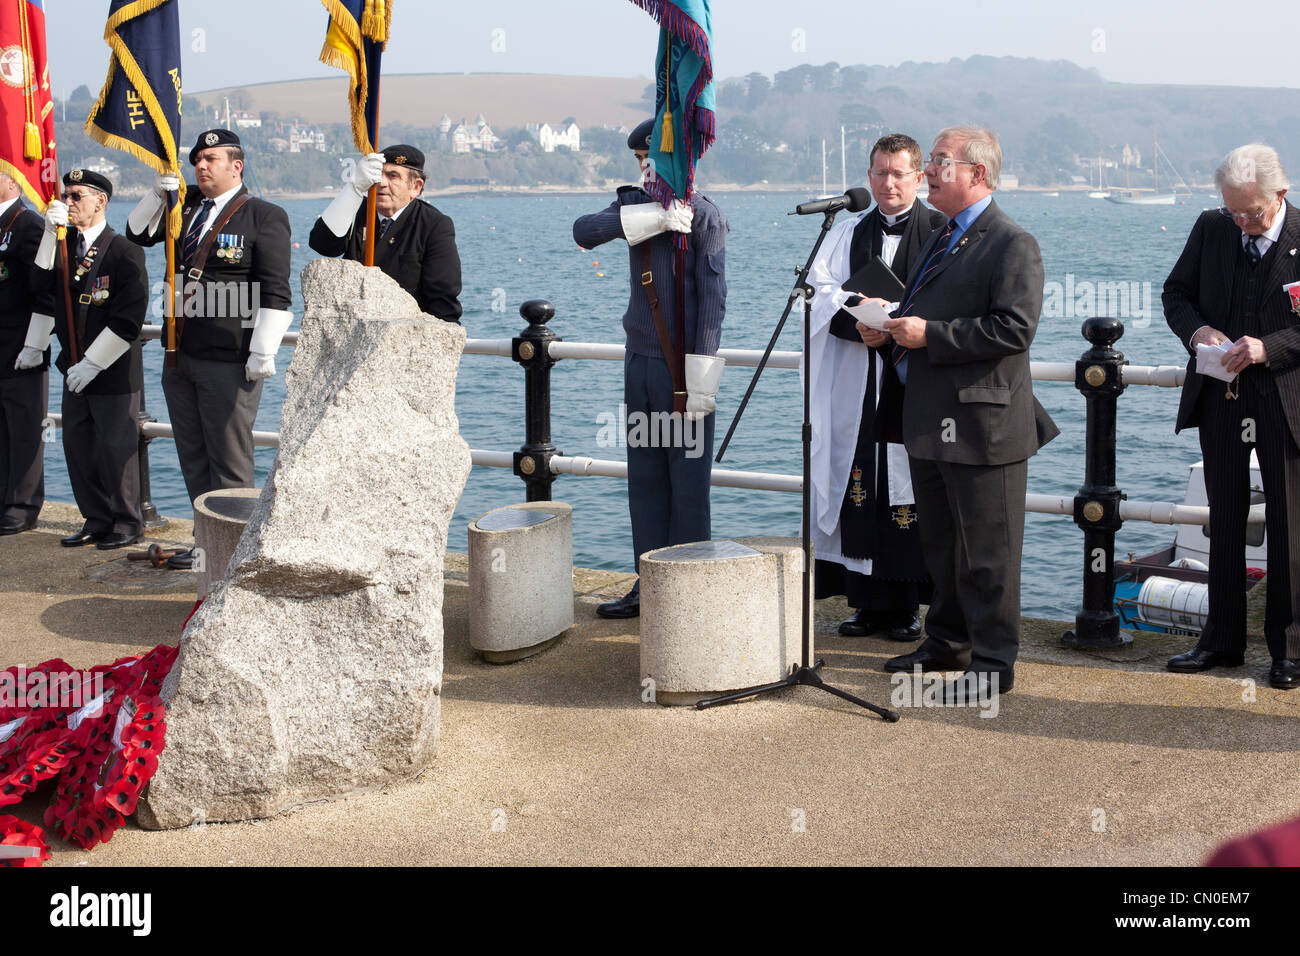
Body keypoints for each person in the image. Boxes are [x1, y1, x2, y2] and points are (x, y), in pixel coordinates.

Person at [864, 125, 1058, 698]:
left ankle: (994, 664)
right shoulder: (942, 235)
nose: (929, 171)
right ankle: (947, 641)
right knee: (943, 543)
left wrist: (931, 335)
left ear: (978, 174)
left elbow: (1015, 329)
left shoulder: (1011, 242)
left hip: (983, 422)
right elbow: (926, 311)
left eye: (941, 161)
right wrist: (893, 333)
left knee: (988, 551)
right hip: (930, 415)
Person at [573, 118, 727, 619]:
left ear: (685, 161)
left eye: (653, 158)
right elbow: (584, 232)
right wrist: (653, 220)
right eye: (641, 159)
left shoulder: (705, 216)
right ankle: (649, 584)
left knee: (687, 484)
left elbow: (712, 302)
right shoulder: (631, 207)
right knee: (644, 480)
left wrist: (703, 375)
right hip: (639, 363)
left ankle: (688, 588)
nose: (645, 167)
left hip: (684, 369)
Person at [1163, 143, 1300, 690]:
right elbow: (1177, 294)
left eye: (1252, 213)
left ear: (1281, 195)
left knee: (1289, 524)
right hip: (1222, 394)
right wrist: (1198, 332)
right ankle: (1221, 641)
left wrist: (1269, 347)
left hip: (1285, 399)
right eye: (1233, 211)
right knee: (1222, 517)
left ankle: (1289, 651)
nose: (1242, 223)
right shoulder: (1212, 226)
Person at [126, 129, 292, 569]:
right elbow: (137, 233)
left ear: (235, 166)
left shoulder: (263, 216)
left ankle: (239, 557)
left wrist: (263, 350)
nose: (201, 165)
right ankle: (208, 548)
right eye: (197, 159)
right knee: (193, 457)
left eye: (212, 158)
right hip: (180, 355)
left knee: (230, 464)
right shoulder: (185, 211)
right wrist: (155, 195)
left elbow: (276, 290)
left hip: (229, 357)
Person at [807, 133, 945, 640]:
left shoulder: (941, 231)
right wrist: (856, 324)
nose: (888, 183)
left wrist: (897, 326)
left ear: (918, 177)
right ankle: (865, 603)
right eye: (880, 173)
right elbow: (819, 292)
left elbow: (953, 299)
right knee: (859, 479)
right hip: (859, 380)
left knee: (908, 488)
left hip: (915, 380)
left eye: (899, 173)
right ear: (868, 177)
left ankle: (907, 605)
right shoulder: (845, 233)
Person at [20, 170, 148, 548]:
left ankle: (126, 522)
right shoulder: (61, 245)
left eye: (77, 196)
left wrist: (92, 363)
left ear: (100, 201)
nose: (69, 202)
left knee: (116, 449)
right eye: (66, 195)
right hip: (72, 368)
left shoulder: (123, 250)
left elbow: (129, 318)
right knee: (78, 447)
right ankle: (95, 518)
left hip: (111, 370)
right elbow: (39, 287)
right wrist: (47, 233)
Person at [308, 145, 462, 322]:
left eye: (393, 176)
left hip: (405, 330)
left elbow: (443, 299)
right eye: (377, 174)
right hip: (353, 325)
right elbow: (322, 245)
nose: (381, 182)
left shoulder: (434, 225)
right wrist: (353, 188)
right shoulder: (356, 210)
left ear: (416, 187)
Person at [0, 170, 52, 535]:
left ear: (13, 181)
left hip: (18, 347)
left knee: (23, 430)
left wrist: (34, 344)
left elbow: (45, 291)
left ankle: (22, 505)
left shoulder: (28, 224)